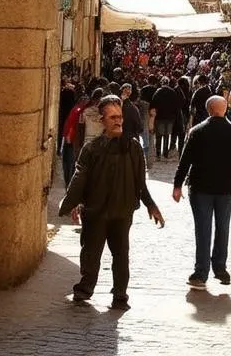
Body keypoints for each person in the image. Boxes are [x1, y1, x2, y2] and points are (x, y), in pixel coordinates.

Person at [58, 95, 165, 308]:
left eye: (120, 117)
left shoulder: (133, 148)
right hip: (96, 212)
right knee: (91, 253)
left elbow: (140, 182)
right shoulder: (92, 149)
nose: (118, 121)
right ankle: (85, 288)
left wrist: (151, 205)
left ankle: (120, 295)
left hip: (122, 213)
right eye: (113, 117)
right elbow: (80, 178)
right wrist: (72, 203)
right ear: (102, 120)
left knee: (121, 255)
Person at [173, 94, 231, 289]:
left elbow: (185, 160)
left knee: (203, 230)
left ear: (208, 110)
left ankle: (201, 272)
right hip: (224, 189)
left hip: (201, 187)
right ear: (224, 109)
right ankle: (220, 268)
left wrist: (177, 185)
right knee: (223, 228)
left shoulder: (197, 131)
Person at [151, 76, 181, 159]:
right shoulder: (172, 92)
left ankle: (158, 154)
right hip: (170, 118)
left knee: (158, 136)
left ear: (161, 83)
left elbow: (153, 104)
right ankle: (165, 153)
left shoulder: (158, 92)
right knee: (167, 135)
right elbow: (176, 105)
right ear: (168, 83)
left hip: (159, 117)